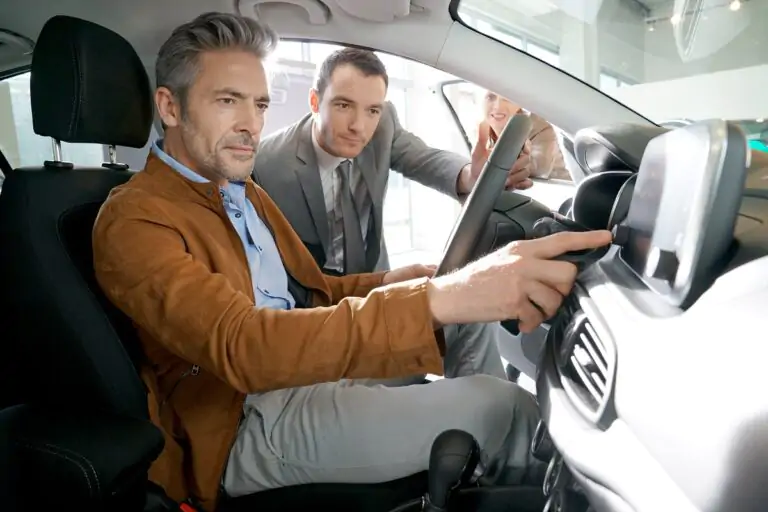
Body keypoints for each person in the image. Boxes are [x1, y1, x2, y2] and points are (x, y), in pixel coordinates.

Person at [92, 12, 612, 510]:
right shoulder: (136, 219)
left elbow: (311, 290)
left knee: (469, 324)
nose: (250, 124)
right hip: (244, 417)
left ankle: (462, 466)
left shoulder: (236, 188)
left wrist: (398, 282)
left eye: (259, 105)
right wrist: (434, 300)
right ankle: (476, 444)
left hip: (301, 369)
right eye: (228, 101)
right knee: (508, 410)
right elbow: (244, 346)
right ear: (170, 107)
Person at [254, 48, 534, 275]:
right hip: (310, 295)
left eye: (372, 110)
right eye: (343, 105)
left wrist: (471, 176)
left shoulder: (383, 125)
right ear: (315, 102)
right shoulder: (268, 165)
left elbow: (424, 159)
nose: (359, 126)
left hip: (376, 277)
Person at [481, 90, 571, 181]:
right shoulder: (481, 129)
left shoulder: (539, 126)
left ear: (519, 103)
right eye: (490, 97)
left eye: (507, 98)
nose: (498, 106)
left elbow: (538, 166)